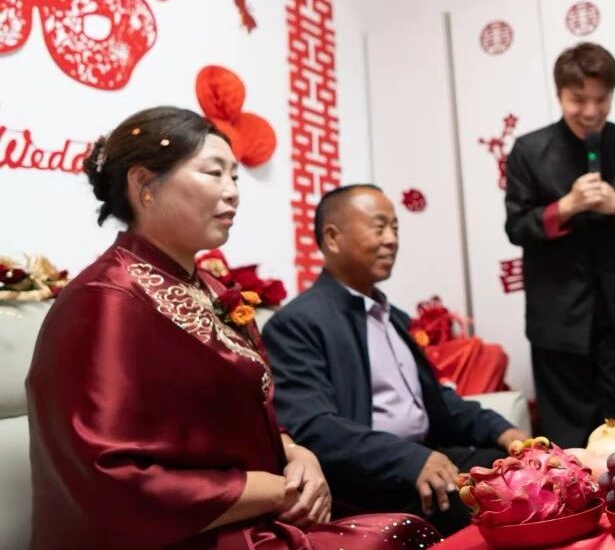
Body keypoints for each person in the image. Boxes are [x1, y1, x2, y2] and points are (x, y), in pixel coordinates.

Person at [25, 107, 438, 549]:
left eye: (235, 177)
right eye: (213, 173)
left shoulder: (212, 289)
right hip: (179, 533)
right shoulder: (106, 297)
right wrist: (273, 490)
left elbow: (249, 414)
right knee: (397, 535)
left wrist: (299, 455)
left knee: (403, 528)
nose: (232, 192)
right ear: (144, 184)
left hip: (245, 516)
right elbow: (106, 477)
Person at [262, 184, 528, 537]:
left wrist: (503, 431)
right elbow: (313, 426)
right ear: (333, 237)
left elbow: (435, 401)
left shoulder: (393, 318)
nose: (391, 240)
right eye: (378, 227)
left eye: (395, 228)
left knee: (528, 475)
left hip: (425, 458)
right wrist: (411, 460)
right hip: (368, 481)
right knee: (503, 504)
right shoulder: (298, 323)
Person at [503, 42, 615, 447]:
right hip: (559, 318)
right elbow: (517, 227)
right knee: (568, 441)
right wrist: (567, 206)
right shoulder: (529, 151)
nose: (591, 111)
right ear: (559, 94)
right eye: (578, 99)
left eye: (601, 99)